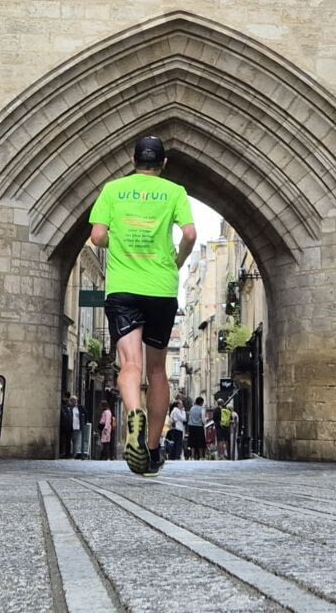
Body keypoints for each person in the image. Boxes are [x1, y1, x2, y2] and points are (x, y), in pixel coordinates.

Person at [88, 135, 197, 476]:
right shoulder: (175, 192)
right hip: (161, 288)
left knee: (129, 365)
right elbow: (191, 234)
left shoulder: (112, 190)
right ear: (163, 164)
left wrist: (115, 240)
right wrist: (176, 260)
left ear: (132, 160)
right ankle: (152, 449)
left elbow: (96, 236)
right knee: (157, 370)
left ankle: (134, 409)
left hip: (123, 288)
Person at [186, 395, 206, 460]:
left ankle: (192, 456)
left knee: (192, 441)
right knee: (200, 441)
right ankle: (200, 456)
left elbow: (189, 417)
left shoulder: (192, 408)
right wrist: (204, 423)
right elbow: (203, 418)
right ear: (201, 402)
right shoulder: (202, 409)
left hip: (191, 426)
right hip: (199, 427)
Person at [68, 394, 85, 459]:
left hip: (78, 426)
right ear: (71, 401)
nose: (75, 402)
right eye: (74, 400)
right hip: (70, 426)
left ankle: (74, 454)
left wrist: (83, 423)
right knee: (71, 440)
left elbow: (84, 414)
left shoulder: (80, 407)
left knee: (75, 440)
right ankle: (70, 453)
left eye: (76, 400)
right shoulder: (69, 407)